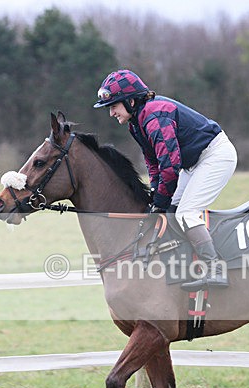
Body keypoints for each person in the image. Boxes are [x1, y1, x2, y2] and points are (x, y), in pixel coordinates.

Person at [93, 69, 237, 290]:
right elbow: (153, 163)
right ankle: (185, 265)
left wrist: (160, 200)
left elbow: (169, 167)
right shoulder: (136, 123)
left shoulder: (154, 116)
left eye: (114, 106)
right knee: (169, 211)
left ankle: (216, 269)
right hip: (192, 163)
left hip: (215, 156)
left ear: (131, 101)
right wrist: (155, 194)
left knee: (186, 213)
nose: (111, 113)